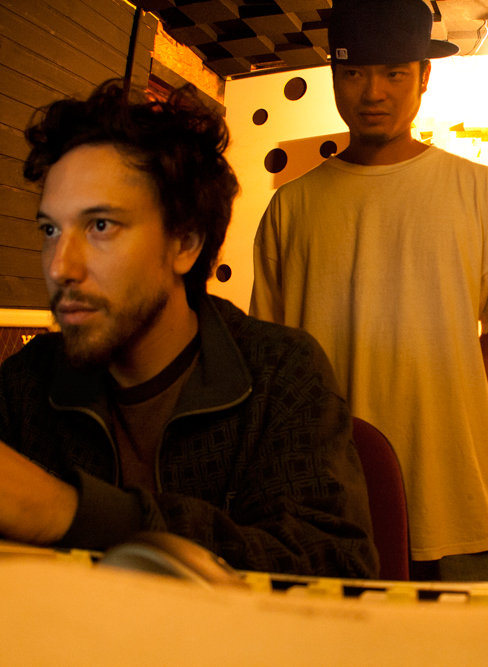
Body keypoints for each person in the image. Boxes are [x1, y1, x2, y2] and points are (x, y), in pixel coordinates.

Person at [0, 80, 377, 578]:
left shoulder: (278, 373)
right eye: (50, 230)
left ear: (185, 244)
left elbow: (333, 566)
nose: (60, 267)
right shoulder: (26, 383)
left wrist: (72, 512)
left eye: (100, 226)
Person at [250, 0, 488, 580]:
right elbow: (269, 358)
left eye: (394, 73)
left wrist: (446, 398)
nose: (372, 92)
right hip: (324, 504)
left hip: (453, 497)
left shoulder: (480, 189)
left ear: (424, 76)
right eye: (354, 72)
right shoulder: (290, 207)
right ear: (334, 75)